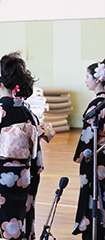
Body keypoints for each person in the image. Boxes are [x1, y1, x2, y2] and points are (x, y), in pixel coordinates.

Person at [0, 52, 43, 239]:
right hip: (24, 177)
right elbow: (36, 154)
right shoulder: (29, 114)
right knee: (19, 219)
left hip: (0, 180)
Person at [72, 60, 105, 240]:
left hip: (99, 158)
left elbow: (88, 139)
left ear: (97, 79)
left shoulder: (96, 106)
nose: (85, 80)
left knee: (95, 196)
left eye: (87, 76)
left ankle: (96, 230)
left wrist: (81, 155)